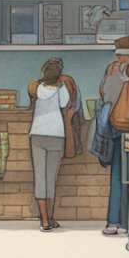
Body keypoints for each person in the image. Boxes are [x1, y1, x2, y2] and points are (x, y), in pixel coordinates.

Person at [101, 35, 129, 236]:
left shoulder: (111, 69)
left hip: (113, 125)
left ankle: (112, 222)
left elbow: (103, 92)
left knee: (117, 174)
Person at [28, 57, 79, 231]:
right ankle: (50, 217)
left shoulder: (37, 88)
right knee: (51, 179)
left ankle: (44, 221)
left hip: (37, 134)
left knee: (40, 179)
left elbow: (33, 92)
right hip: (56, 135)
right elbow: (66, 105)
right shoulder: (62, 90)